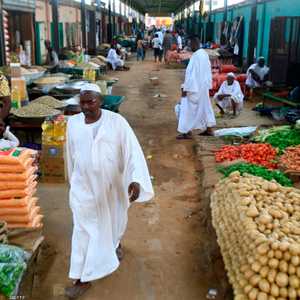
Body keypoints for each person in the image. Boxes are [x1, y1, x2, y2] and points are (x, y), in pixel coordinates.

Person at [65, 83, 154, 299]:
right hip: (83, 188)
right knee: (83, 230)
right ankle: (82, 277)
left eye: (90, 101)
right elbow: (70, 155)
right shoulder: (73, 124)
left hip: (112, 187)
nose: (85, 106)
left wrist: (135, 179)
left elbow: (132, 151)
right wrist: (71, 180)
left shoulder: (117, 123)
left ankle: (114, 243)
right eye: (82, 102)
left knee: (114, 221)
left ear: (101, 101)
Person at [176, 37, 216, 139]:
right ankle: (209, 129)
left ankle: (186, 132)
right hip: (203, 87)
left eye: (190, 44)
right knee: (205, 108)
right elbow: (208, 71)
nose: (189, 46)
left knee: (187, 109)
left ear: (195, 44)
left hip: (194, 88)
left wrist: (186, 89)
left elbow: (191, 75)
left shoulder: (196, 57)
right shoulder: (204, 54)